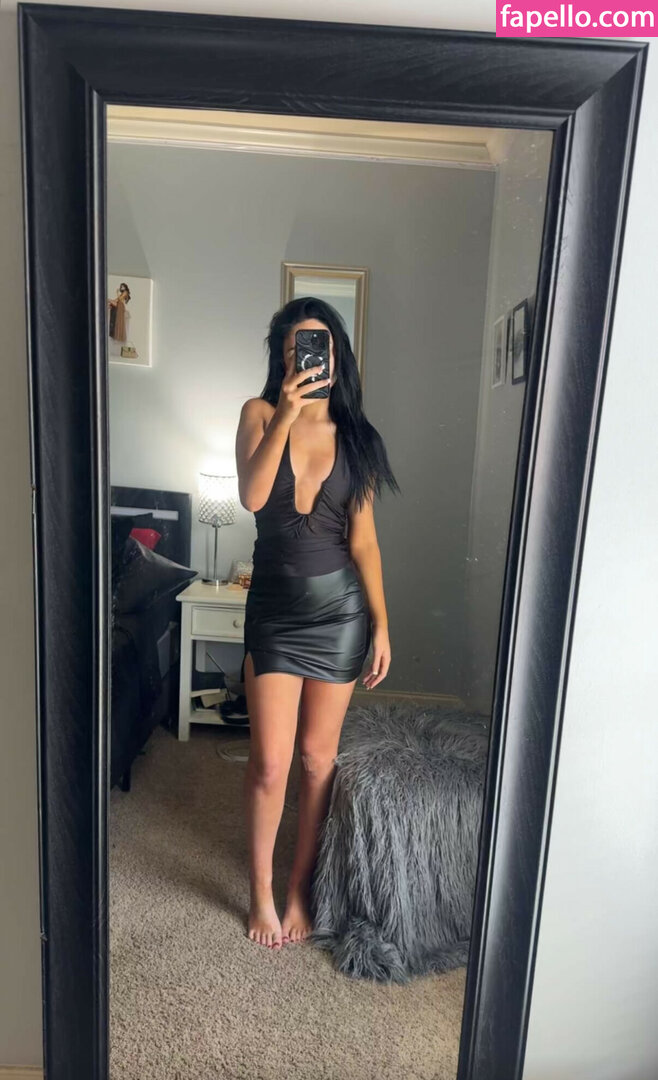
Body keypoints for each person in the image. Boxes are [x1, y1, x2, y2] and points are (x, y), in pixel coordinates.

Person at [235, 296, 399, 950]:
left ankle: (300, 886)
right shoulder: (258, 414)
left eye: (319, 346)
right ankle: (260, 891)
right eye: (295, 348)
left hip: (340, 615)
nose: (307, 358)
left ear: (336, 356)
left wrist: (382, 624)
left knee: (316, 759)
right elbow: (252, 495)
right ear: (282, 359)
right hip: (275, 613)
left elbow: (364, 542)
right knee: (270, 763)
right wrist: (286, 412)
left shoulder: (358, 439)